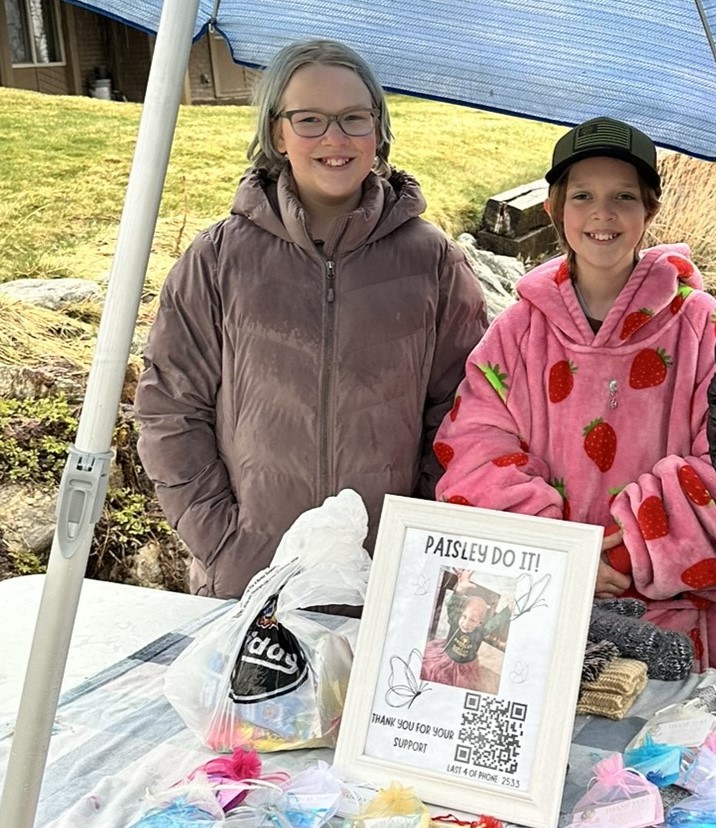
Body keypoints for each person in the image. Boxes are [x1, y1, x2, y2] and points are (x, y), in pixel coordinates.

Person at [134, 38, 487, 599]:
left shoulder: (432, 261)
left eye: (353, 118)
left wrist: (416, 539)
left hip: (384, 581)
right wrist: (225, 542)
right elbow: (168, 411)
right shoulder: (219, 260)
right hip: (249, 582)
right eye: (310, 120)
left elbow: (465, 415)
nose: (334, 139)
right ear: (278, 132)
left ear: (378, 129)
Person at [433, 117, 716, 671]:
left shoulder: (703, 329)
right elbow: (473, 451)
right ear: (554, 210)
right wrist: (562, 552)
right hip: (540, 604)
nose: (602, 214)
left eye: (623, 197)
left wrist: (635, 546)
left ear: (650, 210)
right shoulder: (516, 331)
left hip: (670, 620)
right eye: (582, 195)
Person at [421, 569, 501, 692]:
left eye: (473, 621)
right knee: (432, 669)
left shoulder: (480, 631)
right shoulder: (455, 621)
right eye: (464, 616)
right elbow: (452, 606)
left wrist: (509, 610)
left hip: (465, 666)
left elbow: (495, 623)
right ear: (461, 614)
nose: (466, 623)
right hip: (445, 657)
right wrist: (460, 589)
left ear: (480, 623)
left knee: (462, 685)